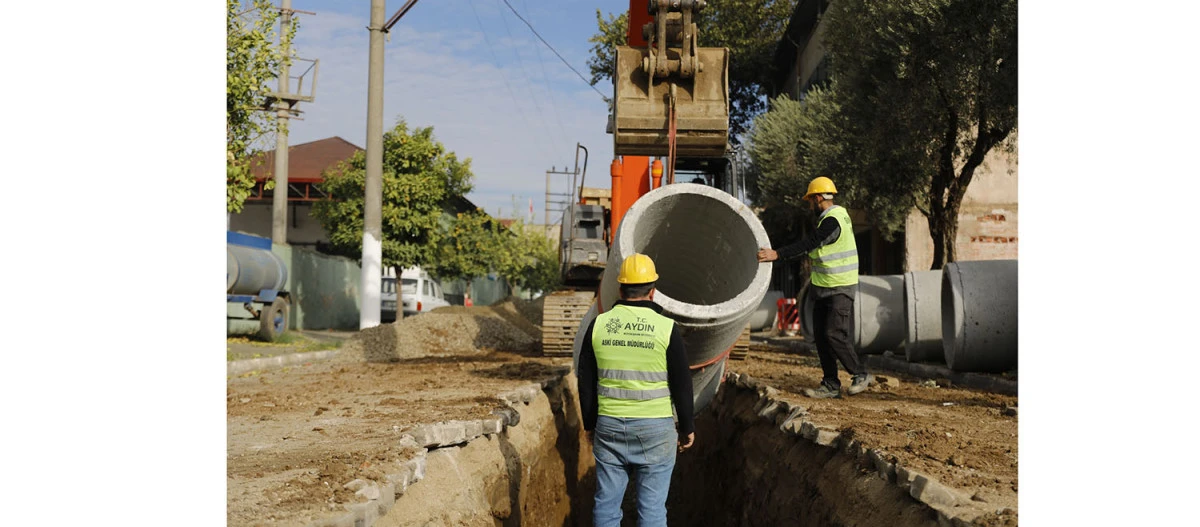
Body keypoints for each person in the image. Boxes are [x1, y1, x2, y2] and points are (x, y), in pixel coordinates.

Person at [577, 253, 695, 527]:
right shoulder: (666, 328)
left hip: (610, 425)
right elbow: (682, 383)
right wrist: (687, 426)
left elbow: (586, 380)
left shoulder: (599, 325)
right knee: (652, 511)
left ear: (620, 289)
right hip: (656, 429)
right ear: (653, 291)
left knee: (606, 506)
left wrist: (590, 424)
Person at [756, 176, 873, 399]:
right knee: (820, 336)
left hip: (840, 287)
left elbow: (810, 244)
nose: (810, 205)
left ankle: (860, 373)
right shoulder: (829, 219)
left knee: (834, 333)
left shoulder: (833, 221)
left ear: (818, 198)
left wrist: (777, 254)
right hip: (824, 287)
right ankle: (830, 384)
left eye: (810, 200)